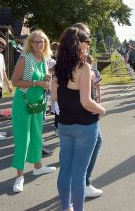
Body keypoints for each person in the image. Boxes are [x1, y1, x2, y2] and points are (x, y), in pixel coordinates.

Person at [52, 26, 106, 211]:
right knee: (79, 174)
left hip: (65, 124)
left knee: (65, 169)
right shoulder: (83, 67)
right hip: (85, 126)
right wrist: (102, 109)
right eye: (87, 42)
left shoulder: (58, 66)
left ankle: (66, 207)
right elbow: (86, 101)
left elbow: (55, 96)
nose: (89, 46)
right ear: (79, 44)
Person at [11, 30, 56, 193]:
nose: (40, 44)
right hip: (23, 103)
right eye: (36, 42)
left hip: (38, 103)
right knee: (23, 138)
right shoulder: (25, 58)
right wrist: (37, 83)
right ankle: (19, 176)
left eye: (42, 41)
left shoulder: (43, 59)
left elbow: (43, 79)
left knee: (37, 136)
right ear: (30, 43)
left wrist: (46, 79)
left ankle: (37, 166)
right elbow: (15, 82)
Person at [85, 54, 104, 198]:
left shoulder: (66, 67)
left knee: (97, 142)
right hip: (86, 114)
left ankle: (82, 183)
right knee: (93, 144)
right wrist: (99, 109)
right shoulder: (84, 70)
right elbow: (85, 99)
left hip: (71, 116)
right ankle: (84, 183)